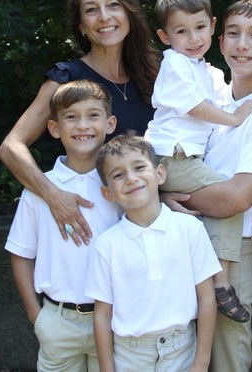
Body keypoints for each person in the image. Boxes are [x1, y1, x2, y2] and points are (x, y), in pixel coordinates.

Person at [162, 0, 252, 372]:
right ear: (219, 41)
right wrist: (165, 197)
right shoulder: (211, 94)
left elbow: (237, 197)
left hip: (231, 253)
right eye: (233, 33)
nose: (242, 44)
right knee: (178, 351)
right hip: (184, 237)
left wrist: (169, 193)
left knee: (228, 357)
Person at [0, 0, 160, 245]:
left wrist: (170, 192)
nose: (104, 17)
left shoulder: (154, 77)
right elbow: (11, 146)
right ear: (82, 26)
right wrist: (53, 195)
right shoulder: (67, 78)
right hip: (94, 224)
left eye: (113, 5)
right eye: (91, 10)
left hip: (149, 223)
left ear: (129, 13)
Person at [145, 0, 252, 323]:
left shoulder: (208, 71)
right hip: (172, 156)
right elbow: (196, 107)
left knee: (223, 204)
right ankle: (220, 283)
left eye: (199, 28)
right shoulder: (175, 64)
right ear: (165, 36)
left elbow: (228, 98)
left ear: (212, 26)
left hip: (185, 159)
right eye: (181, 31)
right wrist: (235, 119)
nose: (193, 38)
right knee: (232, 197)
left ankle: (209, 278)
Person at [5, 80, 121, 372]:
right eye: (71, 117)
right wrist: (36, 315)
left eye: (93, 115)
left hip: (114, 318)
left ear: (110, 124)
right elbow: (21, 253)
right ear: (54, 128)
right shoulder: (39, 189)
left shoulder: (120, 185)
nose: (83, 125)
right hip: (57, 321)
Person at [86, 134, 221, 372]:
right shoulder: (107, 245)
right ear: (108, 193)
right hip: (129, 357)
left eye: (139, 167)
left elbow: (206, 297)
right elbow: (102, 315)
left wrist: (201, 362)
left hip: (183, 351)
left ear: (160, 174)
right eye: (118, 175)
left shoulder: (189, 229)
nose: (131, 178)